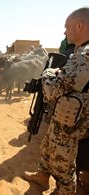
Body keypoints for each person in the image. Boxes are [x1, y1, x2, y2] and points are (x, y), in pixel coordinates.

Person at [23, 7, 89, 195]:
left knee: (63, 165)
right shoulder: (80, 52)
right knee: (47, 146)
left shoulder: (85, 55)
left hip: (72, 123)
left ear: (80, 25)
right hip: (65, 117)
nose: (64, 32)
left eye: (67, 27)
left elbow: (52, 91)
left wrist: (48, 73)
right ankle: (42, 177)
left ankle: (64, 191)